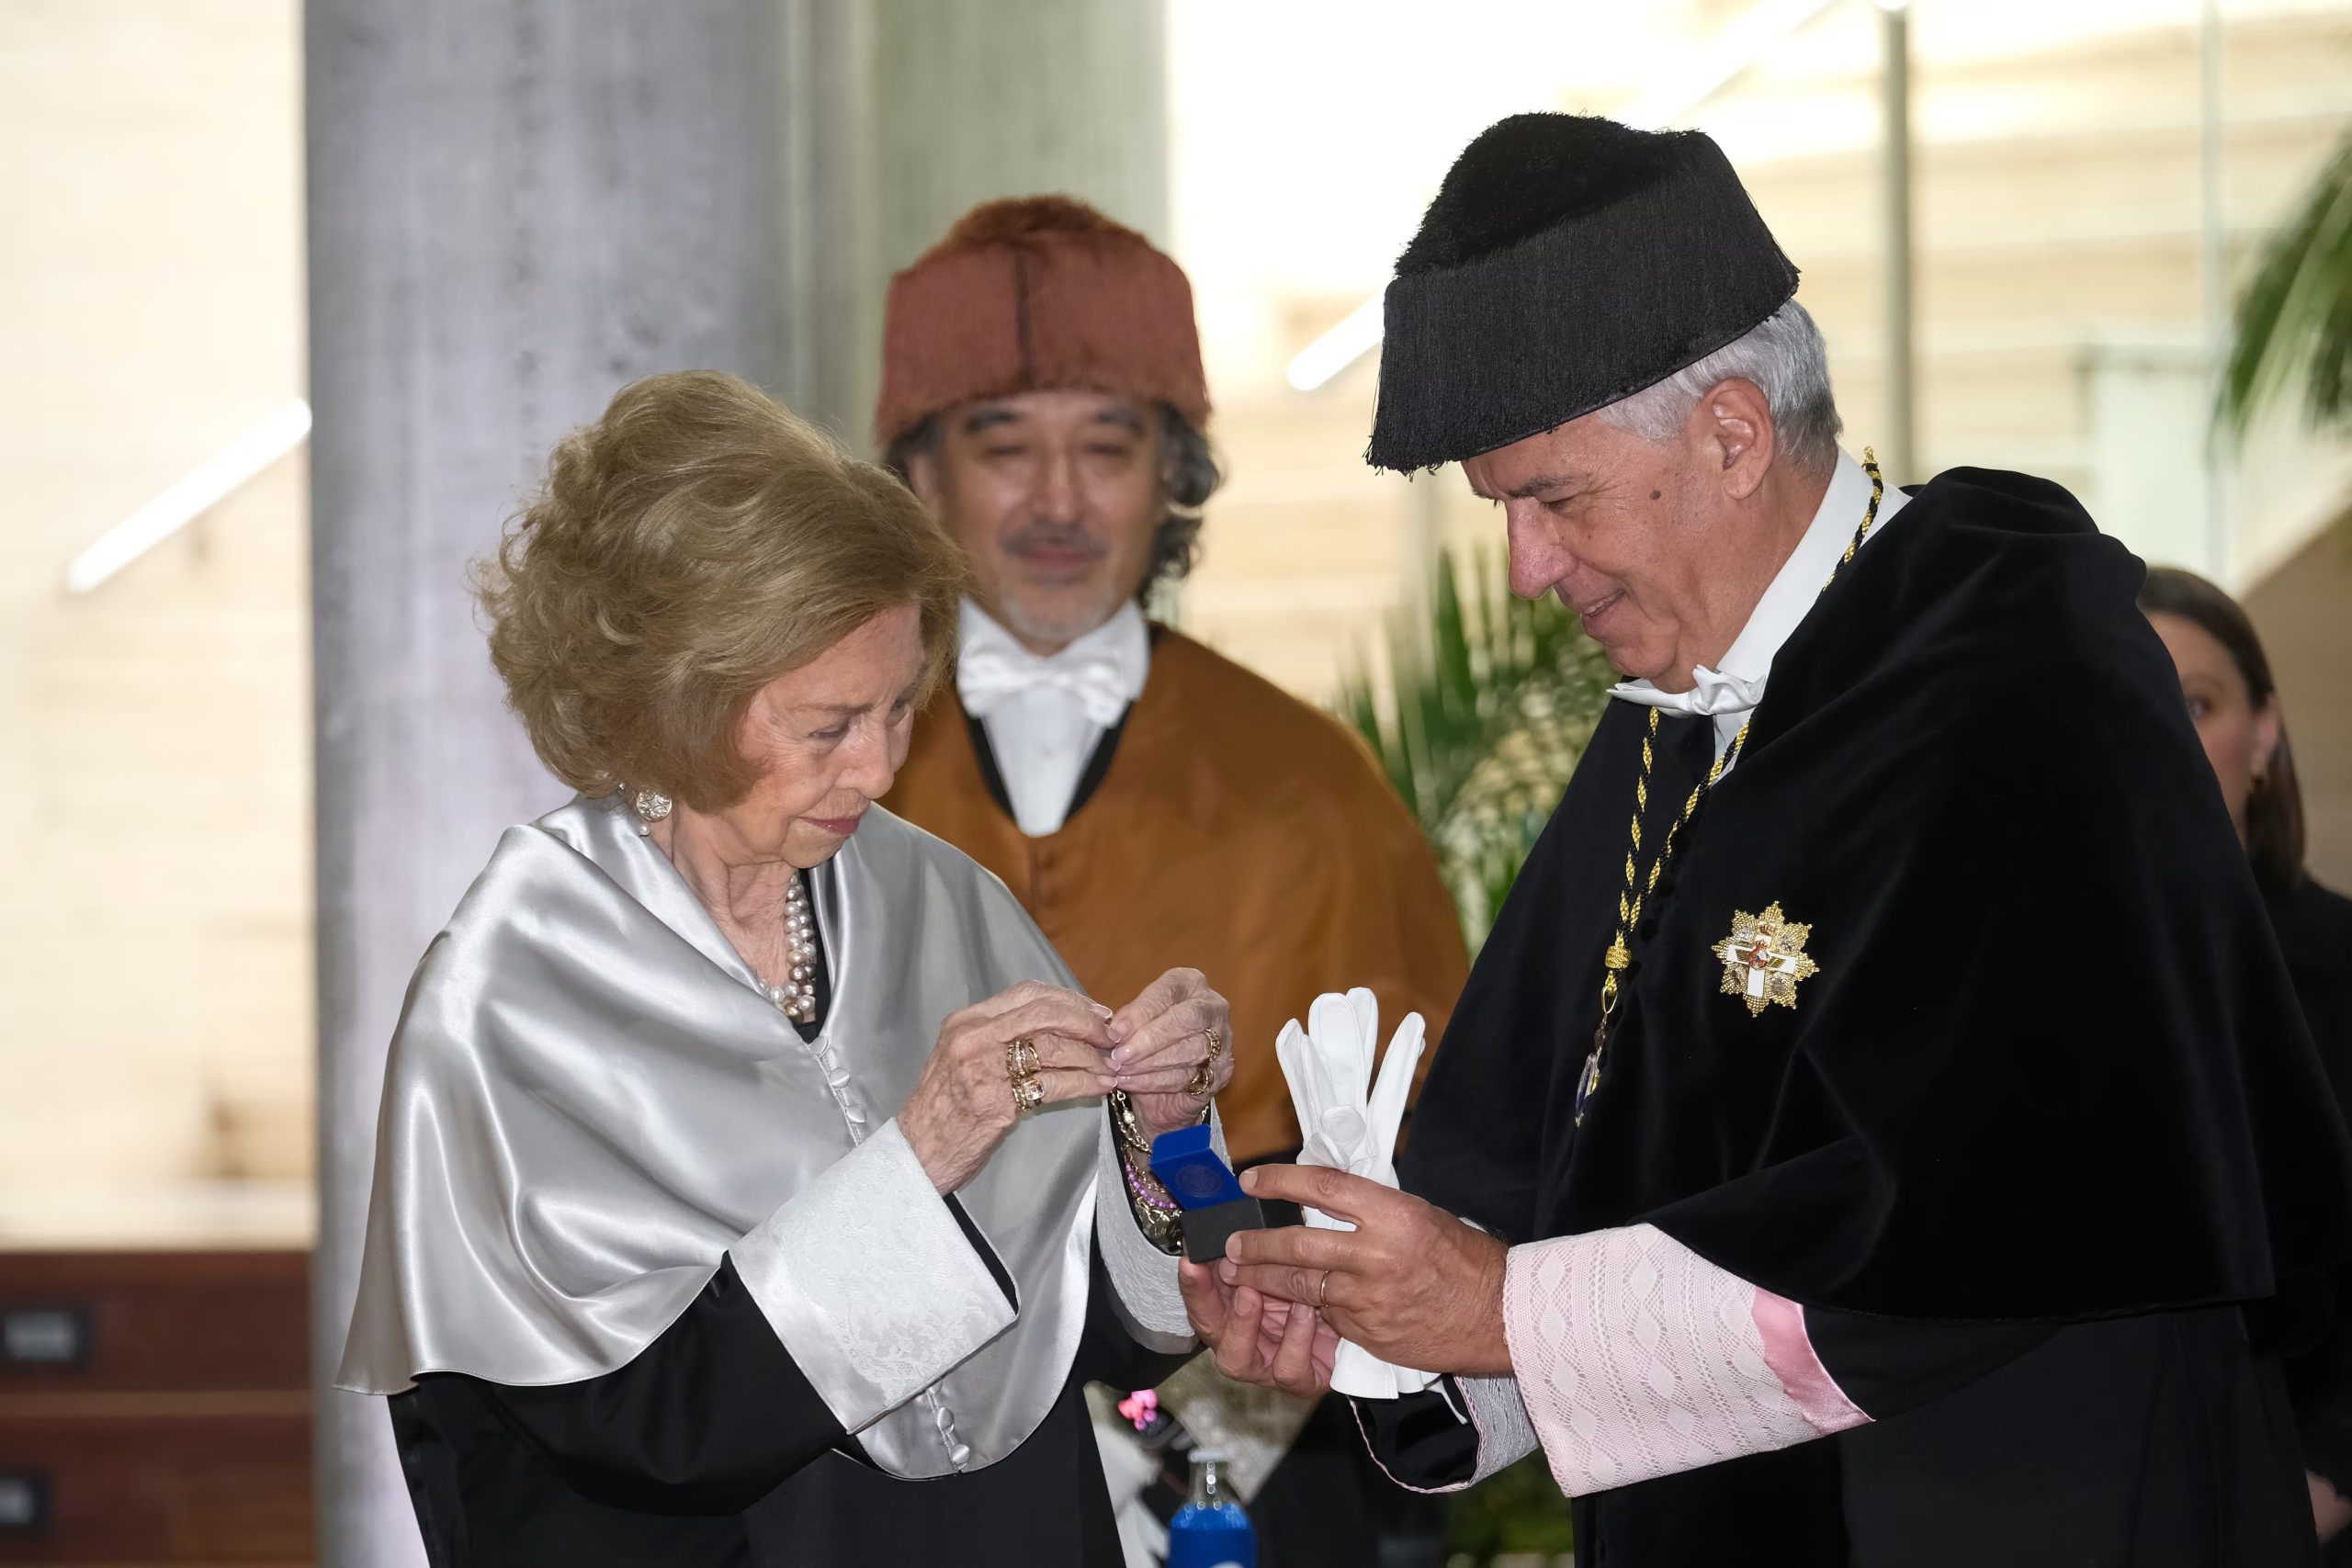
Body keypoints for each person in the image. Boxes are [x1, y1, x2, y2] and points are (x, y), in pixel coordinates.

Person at [1182, 113, 2352, 1566]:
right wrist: (1381, 1315)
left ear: (1732, 434)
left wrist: (1495, 1308)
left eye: (1553, 498)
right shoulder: (1674, 711)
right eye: (1503, 513)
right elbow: (1543, 1182)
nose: (1527, 569)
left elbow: (1982, 1214)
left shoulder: (2025, 681)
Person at [334, 370, 1238, 1567]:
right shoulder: (509, 989)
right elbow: (632, 1433)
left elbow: (1104, 1334)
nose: (877, 765)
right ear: (680, 703)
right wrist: (920, 1154)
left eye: (902, 705)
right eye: (827, 726)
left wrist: (1161, 1130)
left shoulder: (944, 900)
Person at [873, 195, 1469, 1564]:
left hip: (1261, 1455)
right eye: (1002, 445)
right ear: (918, 471)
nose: (1059, 501)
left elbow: (1417, 1158)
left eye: (1109, 445)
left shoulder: (1313, 788)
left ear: (1176, 471)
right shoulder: (828, 775)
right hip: (895, 1459)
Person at [2142, 565, 2352, 1559]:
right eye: (2132, 703)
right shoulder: (2014, 989)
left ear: (2262, 734)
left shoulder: (2342, 971)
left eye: (2196, 703)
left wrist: (2328, 1473)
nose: (2164, 740)